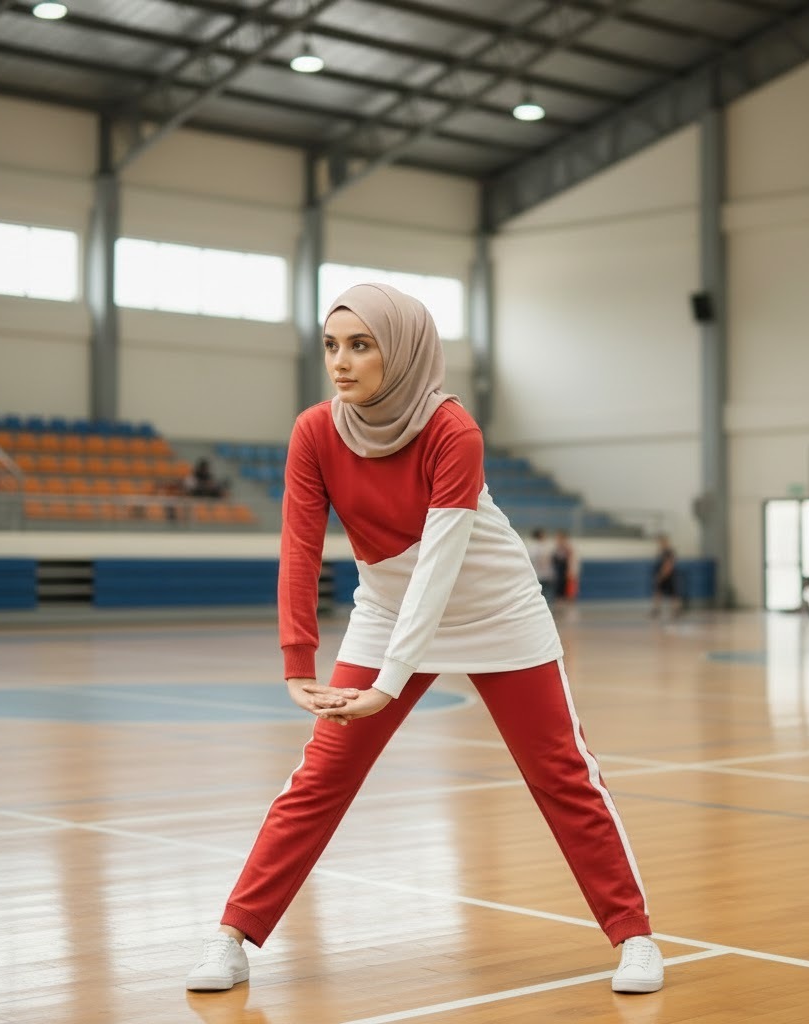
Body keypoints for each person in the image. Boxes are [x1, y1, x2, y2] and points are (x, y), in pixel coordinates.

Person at [186, 284, 663, 997]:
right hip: (386, 612)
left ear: (402, 350)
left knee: (563, 774)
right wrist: (297, 665)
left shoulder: (451, 431)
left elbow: (439, 566)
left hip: (494, 609)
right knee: (320, 778)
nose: (340, 363)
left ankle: (636, 939)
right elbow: (300, 547)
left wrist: (388, 681)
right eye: (331, 346)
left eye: (360, 345)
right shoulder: (315, 432)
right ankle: (232, 936)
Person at [650, 535, 682, 619]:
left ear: (666, 542)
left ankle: (676, 611)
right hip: (663, 576)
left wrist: (661, 576)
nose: (661, 544)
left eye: (662, 542)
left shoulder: (669, 552)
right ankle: (656, 610)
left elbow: (669, 565)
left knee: (673, 594)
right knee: (658, 593)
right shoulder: (662, 552)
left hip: (668, 577)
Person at [524, 527, 554, 595]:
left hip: (546, 574)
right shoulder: (533, 546)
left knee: (547, 592)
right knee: (540, 593)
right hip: (537, 574)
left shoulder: (546, 546)